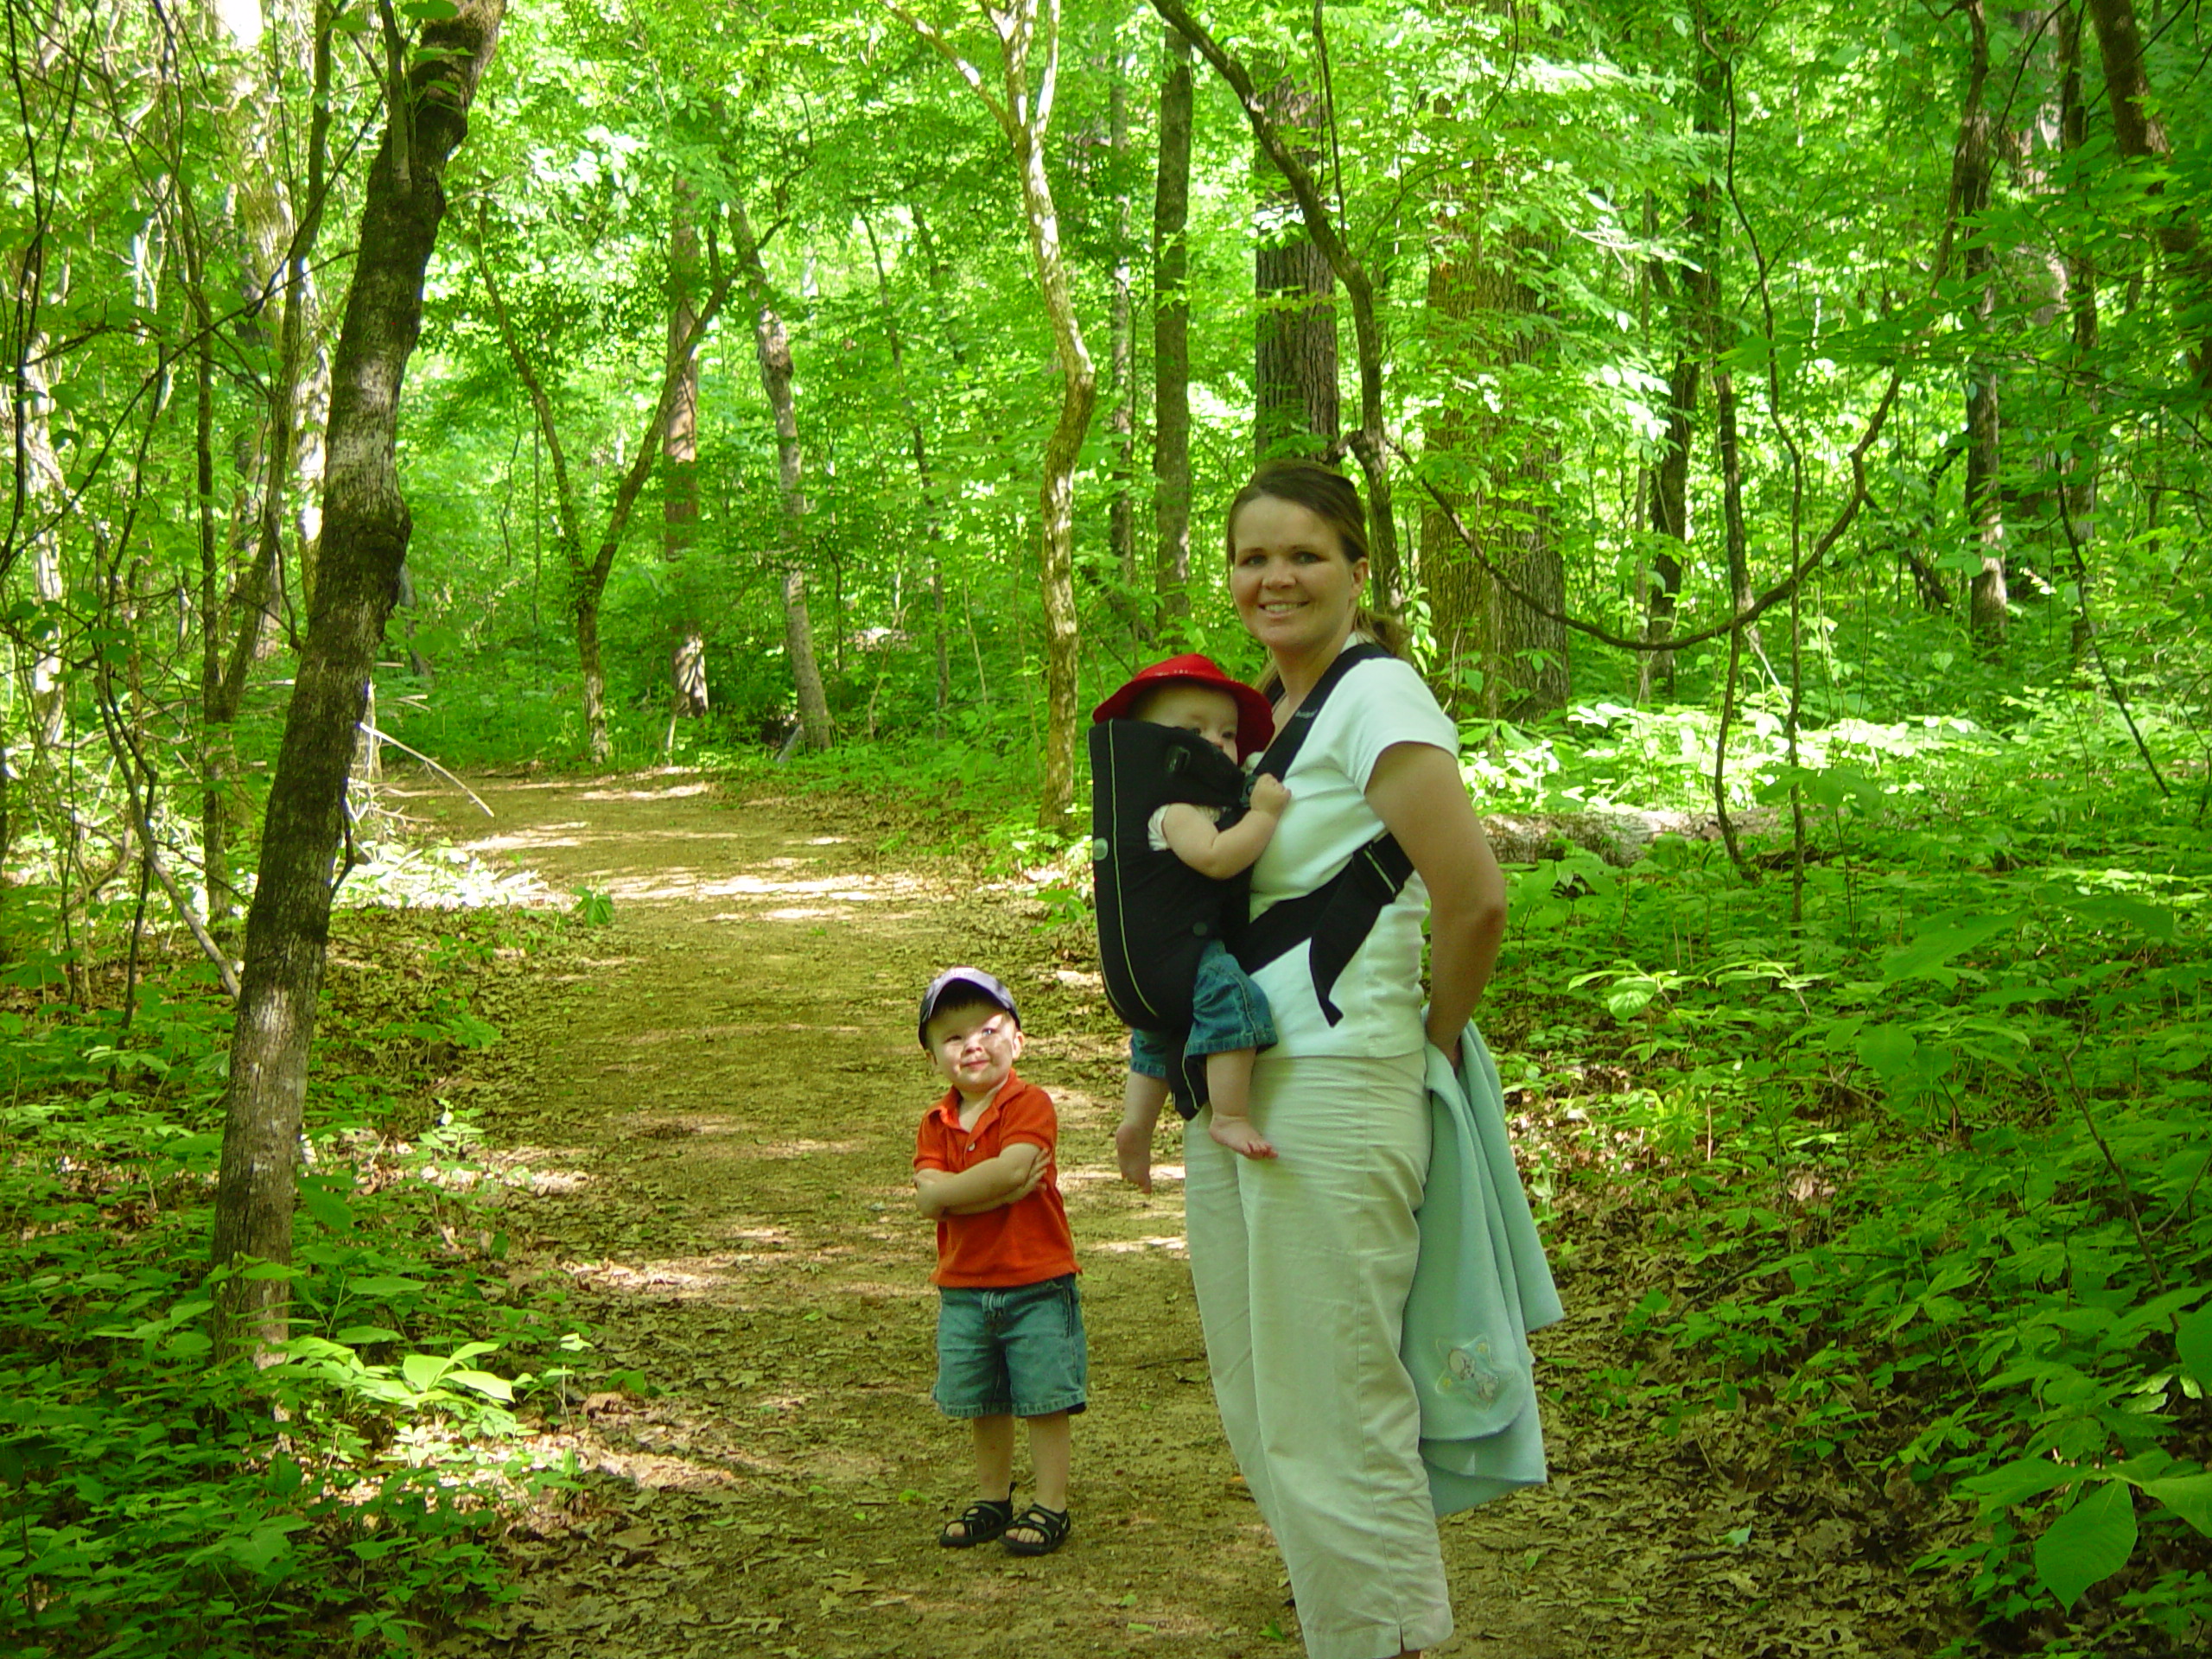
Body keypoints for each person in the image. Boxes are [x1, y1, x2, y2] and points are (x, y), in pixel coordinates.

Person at [1138, 461, 1510, 1659]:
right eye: (1253, 557)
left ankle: (1388, 1641)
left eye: (1303, 553)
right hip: (1238, 1089)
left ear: (1358, 567)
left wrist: (1429, 1046)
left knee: (1336, 1412)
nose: (1275, 576)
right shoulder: (1261, 721)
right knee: (1262, 1408)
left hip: (1339, 1093)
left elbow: (1474, 900)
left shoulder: (1378, 698)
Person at [1090, 654, 1290, 1174]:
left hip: (1148, 973)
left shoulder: (1160, 806)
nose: (1216, 744)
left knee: (1156, 1035)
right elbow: (1218, 858)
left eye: (1227, 734)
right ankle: (1229, 1113)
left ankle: (1136, 1123)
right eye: (1193, 730)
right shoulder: (1173, 810)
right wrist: (1265, 815)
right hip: (1183, 952)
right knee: (1231, 997)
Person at [912, 967, 1084, 1557]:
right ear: (935, 1057)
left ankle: (1051, 1503)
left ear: (1018, 1039)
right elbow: (926, 1195)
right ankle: (993, 1497)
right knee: (982, 1400)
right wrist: (999, 1191)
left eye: (987, 1029)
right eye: (953, 1037)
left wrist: (967, 1191)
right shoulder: (935, 1122)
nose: (972, 1045)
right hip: (963, 1286)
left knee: (1044, 1397)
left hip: (1035, 1280)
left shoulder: (1028, 1103)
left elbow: (1012, 1169)